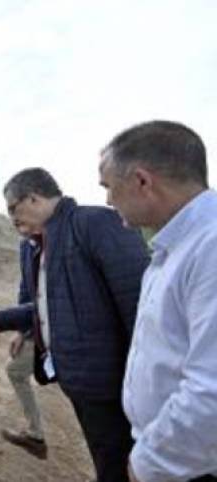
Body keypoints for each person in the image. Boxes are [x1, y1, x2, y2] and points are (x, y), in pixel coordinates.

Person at [0, 168, 149, 482]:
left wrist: (148, 384)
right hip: (81, 384)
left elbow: (142, 308)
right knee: (107, 461)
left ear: (34, 198)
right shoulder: (39, 245)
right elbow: (46, 307)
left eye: (13, 208)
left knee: (124, 467)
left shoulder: (95, 223)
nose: (11, 218)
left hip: (115, 386)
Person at [99, 120, 217, 482]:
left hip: (188, 466)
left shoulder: (210, 247)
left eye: (108, 186)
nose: (107, 200)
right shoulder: (177, 247)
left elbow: (210, 390)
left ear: (141, 181)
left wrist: (150, 463)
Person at [1, 227, 48, 459]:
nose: (16, 221)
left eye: (17, 210)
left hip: (68, 331)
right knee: (15, 370)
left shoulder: (60, 238)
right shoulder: (25, 245)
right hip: (37, 325)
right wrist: (21, 330)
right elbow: (26, 288)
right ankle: (35, 434)